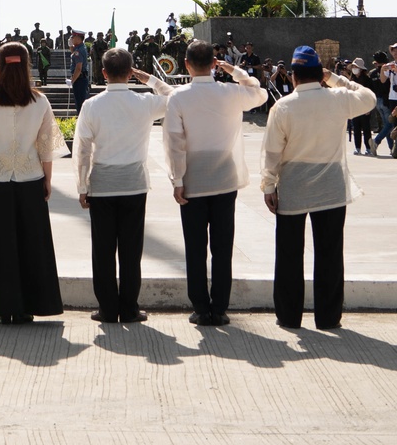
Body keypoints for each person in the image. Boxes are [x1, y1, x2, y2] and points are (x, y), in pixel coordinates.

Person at [261, 45, 377, 330]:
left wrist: (268, 185)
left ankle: (289, 316)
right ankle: (328, 318)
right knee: (329, 253)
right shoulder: (337, 98)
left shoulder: (283, 106)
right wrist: (337, 79)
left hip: (293, 186)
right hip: (331, 187)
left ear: (293, 76)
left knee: (289, 254)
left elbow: (272, 152)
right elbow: (369, 98)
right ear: (319, 73)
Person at [163, 38, 265, 326]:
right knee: (222, 248)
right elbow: (260, 94)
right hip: (224, 177)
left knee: (195, 248)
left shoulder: (178, 97)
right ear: (214, 64)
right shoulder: (231, 92)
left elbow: (175, 142)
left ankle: (200, 307)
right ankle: (219, 307)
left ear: (186, 65)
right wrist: (236, 72)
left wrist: (177, 179)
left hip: (193, 179)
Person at [0, 41, 63, 324]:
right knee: (31, 245)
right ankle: (28, 306)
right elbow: (46, 147)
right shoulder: (40, 101)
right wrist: (48, 180)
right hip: (30, 177)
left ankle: (1, 307)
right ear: (28, 65)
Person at [74, 47, 173, 324]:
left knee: (103, 251)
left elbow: (82, 150)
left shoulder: (92, 106)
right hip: (134, 184)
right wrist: (150, 79)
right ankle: (129, 309)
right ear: (130, 73)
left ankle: (107, 308)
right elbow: (174, 97)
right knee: (131, 251)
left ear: (103, 73)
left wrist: (82, 186)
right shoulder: (144, 103)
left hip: (103, 184)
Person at [348, 58, 376, 156]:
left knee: (366, 128)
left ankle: (368, 148)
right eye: (353, 67)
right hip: (355, 106)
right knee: (356, 128)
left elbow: (371, 94)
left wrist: (369, 108)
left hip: (365, 107)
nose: (354, 69)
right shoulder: (352, 80)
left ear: (361, 68)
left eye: (356, 67)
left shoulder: (367, 80)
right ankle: (357, 147)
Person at [69, 31, 91, 113]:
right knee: (80, 103)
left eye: (73, 37)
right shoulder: (79, 48)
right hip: (80, 79)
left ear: (78, 38)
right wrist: (71, 45)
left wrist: (72, 81)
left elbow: (78, 68)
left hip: (80, 79)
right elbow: (73, 54)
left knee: (80, 105)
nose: (71, 39)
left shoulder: (79, 51)